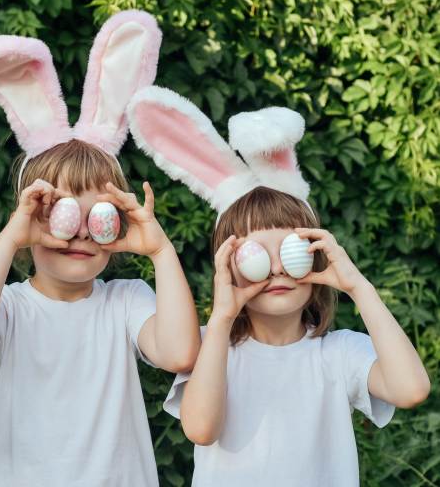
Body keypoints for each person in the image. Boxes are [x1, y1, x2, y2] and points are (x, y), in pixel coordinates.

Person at [0, 11, 201, 486]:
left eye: (98, 217)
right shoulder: (10, 306)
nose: (80, 232)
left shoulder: (125, 301)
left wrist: (161, 252)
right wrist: (13, 235)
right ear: (29, 222)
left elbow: (181, 354)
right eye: (61, 215)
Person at [128, 87, 431, 486]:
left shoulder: (339, 352)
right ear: (228, 267)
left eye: (291, 251)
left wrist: (359, 287)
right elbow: (201, 429)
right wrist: (222, 317)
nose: (275, 270)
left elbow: (410, 389)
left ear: (317, 256)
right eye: (254, 255)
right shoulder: (210, 348)